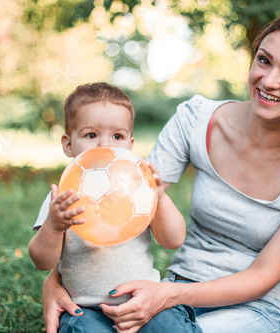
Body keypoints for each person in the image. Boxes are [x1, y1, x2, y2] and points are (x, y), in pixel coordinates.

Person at [41, 10, 280, 333]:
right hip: (177, 285)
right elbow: (120, 200)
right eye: (264, 61)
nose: (269, 80)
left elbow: (264, 275)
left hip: (259, 306)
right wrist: (55, 281)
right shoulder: (196, 119)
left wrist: (167, 297)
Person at [28, 82, 202, 333]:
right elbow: (42, 261)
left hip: (145, 303)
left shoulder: (139, 188)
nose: (105, 145)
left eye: (117, 136)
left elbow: (173, 239)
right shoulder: (63, 197)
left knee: (173, 328)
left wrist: (160, 198)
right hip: (86, 309)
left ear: (130, 144)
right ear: (68, 144)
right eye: (91, 135)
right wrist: (54, 226)